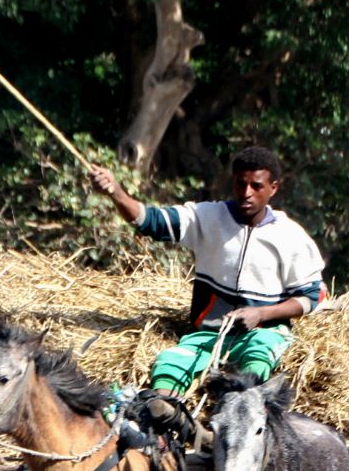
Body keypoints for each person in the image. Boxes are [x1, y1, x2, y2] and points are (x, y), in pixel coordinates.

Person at [88, 146, 326, 427]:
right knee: (170, 362)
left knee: (257, 360)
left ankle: (241, 427)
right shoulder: (206, 217)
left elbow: (313, 297)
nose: (246, 192)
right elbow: (150, 221)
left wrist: (261, 315)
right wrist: (116, 192)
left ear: (273, 188)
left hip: (263, 333)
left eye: (256, 186)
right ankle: (166, 425)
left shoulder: (291, 237)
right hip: (207, 336)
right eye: (240, 183)